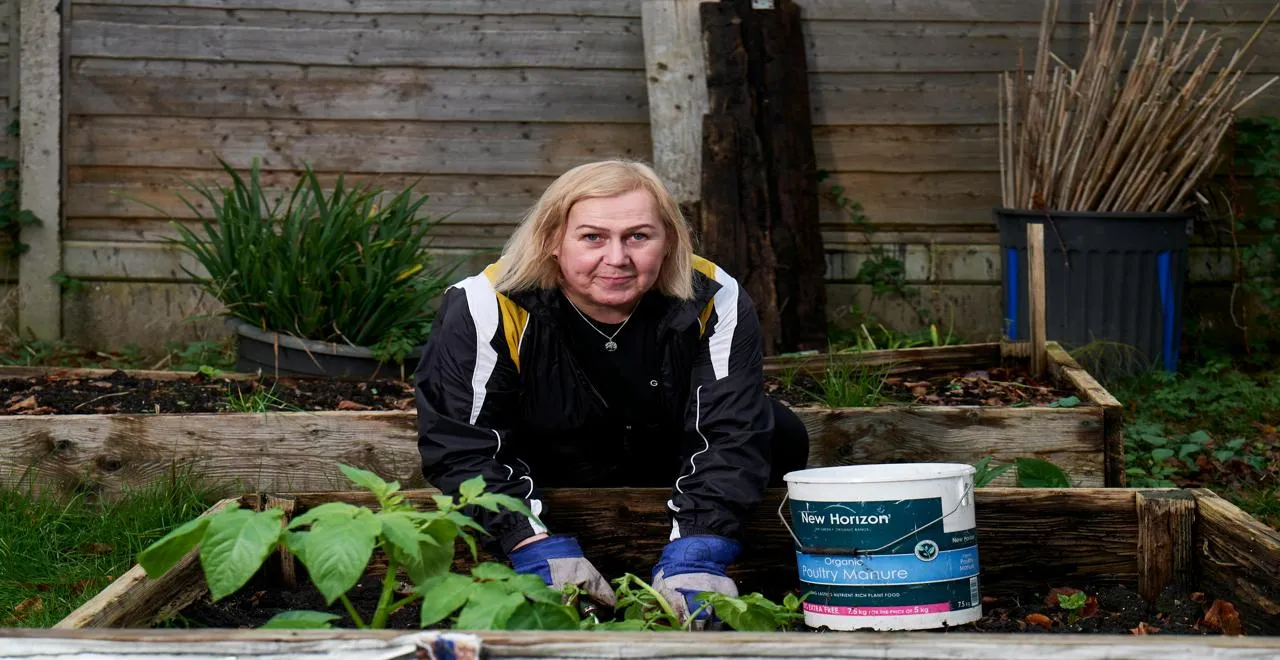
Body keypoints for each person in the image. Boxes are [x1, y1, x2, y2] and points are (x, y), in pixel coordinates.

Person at [414, 159, 809, 623]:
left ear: (669, 243)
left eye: (639, 236)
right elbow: (463, 443)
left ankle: (689, 560)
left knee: (778, 429)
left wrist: (700, 550)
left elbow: (730, 430)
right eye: (592, 237)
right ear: (552, 242)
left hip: (667, 459)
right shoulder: (486, 303)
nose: (617, 258)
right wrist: (527, 542)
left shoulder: (712, 295)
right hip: (549, 471)